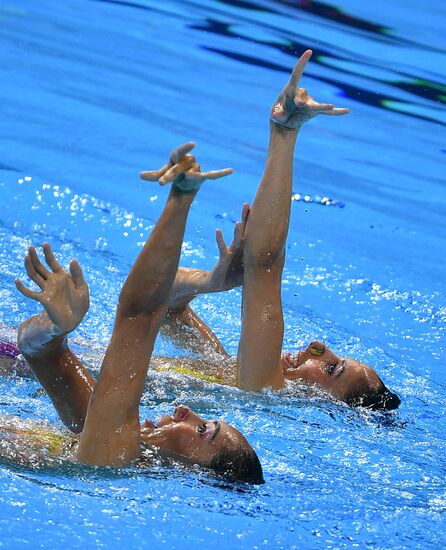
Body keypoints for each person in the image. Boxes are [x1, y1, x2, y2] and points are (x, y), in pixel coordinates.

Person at [156, 50, 400, 411]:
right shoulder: (228, 368)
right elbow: (160, 306)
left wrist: (284, 135)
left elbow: (264, 264)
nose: (318, 346)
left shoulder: (260, 387)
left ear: (324, 404)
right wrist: (210, 281)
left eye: (332, 369)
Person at [9, 143, 264, 484]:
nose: (186, 411)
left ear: (190, 471)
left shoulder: (113, 452)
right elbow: (34, 349)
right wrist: (55, 328)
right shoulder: (105, 434)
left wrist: (181, 198)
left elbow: (140, 315)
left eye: (203, 431)